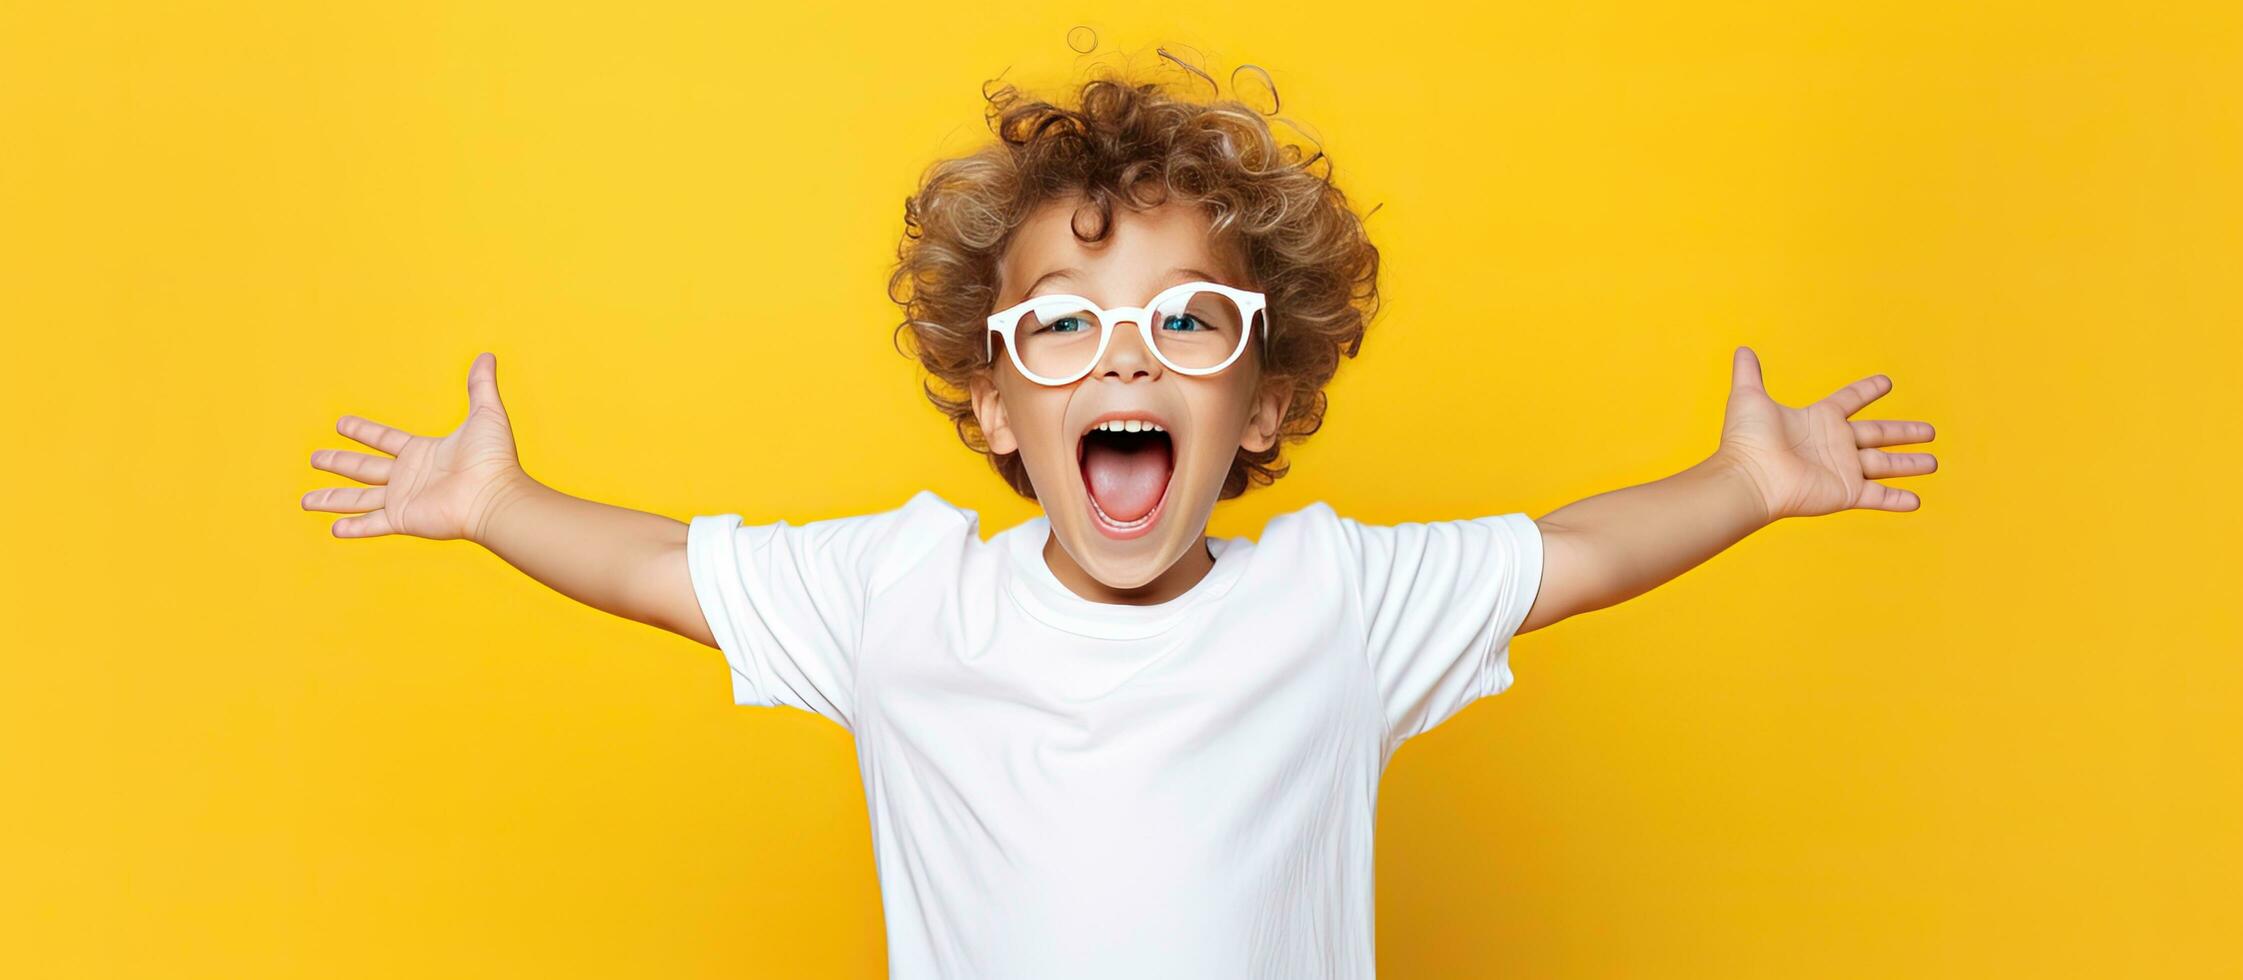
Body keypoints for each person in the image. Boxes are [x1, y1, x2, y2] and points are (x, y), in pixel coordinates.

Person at [299, 67, 1939, 979]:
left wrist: (1752, 482)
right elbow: (666, 571)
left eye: (1186, 326)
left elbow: (1573, 556)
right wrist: (500, 505)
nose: (1128, 357)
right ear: (999, 406)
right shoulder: (904, 593)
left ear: (1270, 400)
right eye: (1065, 327)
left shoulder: (1338, 604)